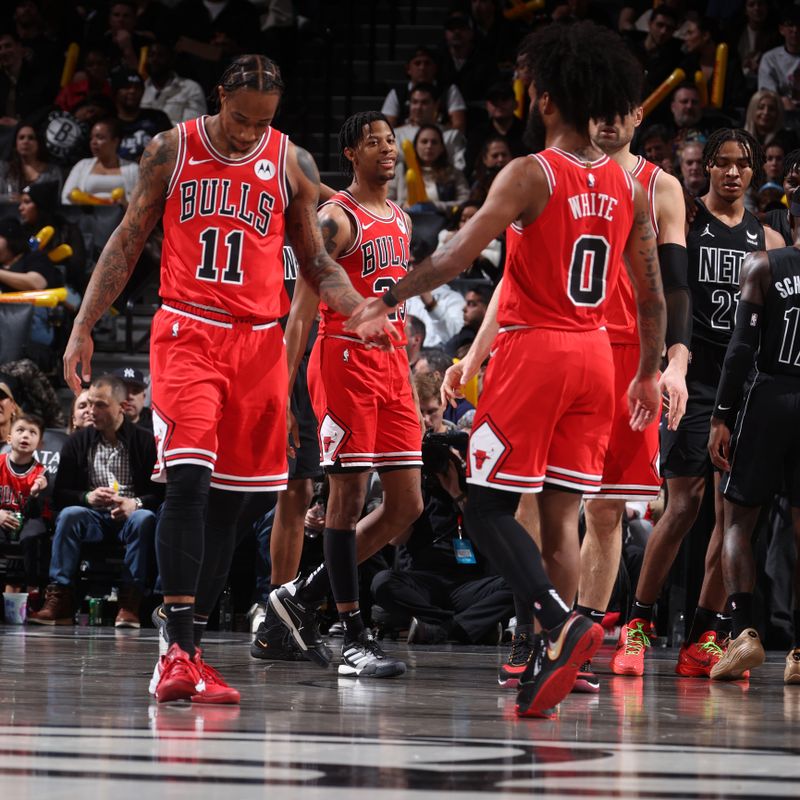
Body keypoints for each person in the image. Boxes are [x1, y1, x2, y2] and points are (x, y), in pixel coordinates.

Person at [348, 21, 666, 718]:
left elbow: (459, 254)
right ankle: (546, 657)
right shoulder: (627, 182)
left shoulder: (530, 171)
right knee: (560, 519)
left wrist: (386, 298)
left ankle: (557, 621)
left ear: (548, 98)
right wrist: (646, 373)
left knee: (484, 502)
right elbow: (651, 296)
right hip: (598, 360)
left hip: (536, 352)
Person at [63, 55, 390, 704]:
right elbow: (128, 241)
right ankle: (177, 647)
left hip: (261, 345)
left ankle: (190, 641)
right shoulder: (171, 150)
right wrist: (83, 324)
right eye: (240, 119)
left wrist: (355, 304)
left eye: (262, 122)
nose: (248, 133)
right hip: (188, 331)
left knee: (236, 503)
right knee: (188, 478)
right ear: (218, 99)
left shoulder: (289, 160)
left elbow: (315, 256)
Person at [611, 128, 785, 679]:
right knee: (682, 504)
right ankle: (637, 623)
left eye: (743, 164)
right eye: (723, 163)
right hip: (692, 374)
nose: (733, 173)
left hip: (744, 386)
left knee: (729, 516)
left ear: (754, 172)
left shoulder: (770, 241)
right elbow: (665, 292)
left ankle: (703, 636)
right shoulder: (685, 219)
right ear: (706, 168)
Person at [269, 111, 423, 678]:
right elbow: (302, 312)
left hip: (392, 365)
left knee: (408, 503)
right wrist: (283, 395)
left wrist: (406, 375)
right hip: (341, 361)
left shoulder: (402, 219)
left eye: (391, 141)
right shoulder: (336, 219)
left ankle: (298, 596)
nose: (387, 150)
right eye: (373, 143)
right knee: (348, 499)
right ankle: (352, 633)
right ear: (351, 154)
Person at [563, 105, 690, 692]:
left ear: (638, 115)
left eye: (620, 109)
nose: (607, 119)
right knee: (548, 500)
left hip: (627, 353)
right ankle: (535, 628)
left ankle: (581, 637)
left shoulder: (659, 186)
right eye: (599, 107)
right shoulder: (555, 173)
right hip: (562, 343)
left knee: (607, 507)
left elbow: (677, 285)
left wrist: (676, 364)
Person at [707, 196, 800, 683]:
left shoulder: (764, 263)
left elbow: (741, 346)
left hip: (769, 396)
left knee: (737, 521)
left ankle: (743, 633)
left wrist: (721, 415)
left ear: (793, 219)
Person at [373, 371, 513, 646]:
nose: (426, 420)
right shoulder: (407, 459)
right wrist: (414, 491)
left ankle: (441, 628)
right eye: (421, 412)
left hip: (470, 580)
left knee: (522, 582)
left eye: (432, 412)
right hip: (423, 578)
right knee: (383, 582)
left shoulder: (465, 449)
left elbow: (492, 536)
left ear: (444, 408)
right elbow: (393, 539)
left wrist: (458, 492)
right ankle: (466, 626)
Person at [28, 375, 161, 627]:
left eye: (100, 405)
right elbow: (61, 494)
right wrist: (86, 497)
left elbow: (160, 494)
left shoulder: (144, 441)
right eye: (89, 404)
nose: (91, 411)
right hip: (94, 516)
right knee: (70, 515)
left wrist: (135, 503)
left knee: (145, 518)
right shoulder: (77, 441)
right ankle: (60, 597)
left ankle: (129, 603)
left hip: (129, 515)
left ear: (120, 407)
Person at [0, 413, 47, 593]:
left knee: (33, 535)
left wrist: (35, 494)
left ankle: (33, 589)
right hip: (2, 517)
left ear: (40, 444)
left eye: (32, 432)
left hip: (28, 519)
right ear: (9, 438)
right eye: (20, 430)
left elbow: (37, 513)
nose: (25, 436)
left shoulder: (41, 473)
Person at [381, 46, 467, 132]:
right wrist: (410, 127)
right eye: (417, 63)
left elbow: (459, 127)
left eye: (427, 63)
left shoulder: (449, 90)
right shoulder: (397, 93)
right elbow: (386, 130)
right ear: (408, 69)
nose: (422, 67)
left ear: (435, 67)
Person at [391, 124, 469, 216]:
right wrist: (403, 205)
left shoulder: (453, 172)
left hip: (442, 223)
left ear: (441, 148)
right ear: (415, 146)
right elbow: (385, 201)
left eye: (434, 142)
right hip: (405, 221)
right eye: (424, 142)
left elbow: (465, 202)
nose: (429, 146)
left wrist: (436, 206)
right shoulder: (400, 169)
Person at [61, 118, 139, 204]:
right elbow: (66, 197)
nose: (93, 142)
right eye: (92, 138)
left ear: (115, 141)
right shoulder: (82, 165)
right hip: (88, 216)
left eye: (100, 137)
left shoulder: (133, 169)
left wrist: (126, 205)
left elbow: (142, 200)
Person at [393, 83, 467, 172]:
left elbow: (459, 167)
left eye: (424, 103)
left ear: (436, 105)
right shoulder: (396, 135)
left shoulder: (451, 136)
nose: (418, 107)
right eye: (415, 102)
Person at [110, 67, 172, 163]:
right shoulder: (106, 122)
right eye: (127, 87)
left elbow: (171, 150)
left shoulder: (158, 118)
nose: (132, 91)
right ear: (116, 91)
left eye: (137, 87)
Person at [141, 41, 207, 126]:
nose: (154, 59)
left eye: (160, 55)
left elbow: (193, 128)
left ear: (171, 59)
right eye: (151, 55)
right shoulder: (141, 89)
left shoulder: (190, 88)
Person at [0, 122, 63, 201]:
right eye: (21, 137)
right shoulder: (3, 168)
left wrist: (29, 199)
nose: (25, 141)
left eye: (31, 138)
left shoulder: (53, 171)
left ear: (39, 143)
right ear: (15, 144)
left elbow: (56, 201)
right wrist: (12, 199)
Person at [111, 366, 153, 431]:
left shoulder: (157, 429)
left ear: (143, 397)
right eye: (123, 390)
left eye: (135, 391)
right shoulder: (98, 428)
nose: (129, 396)